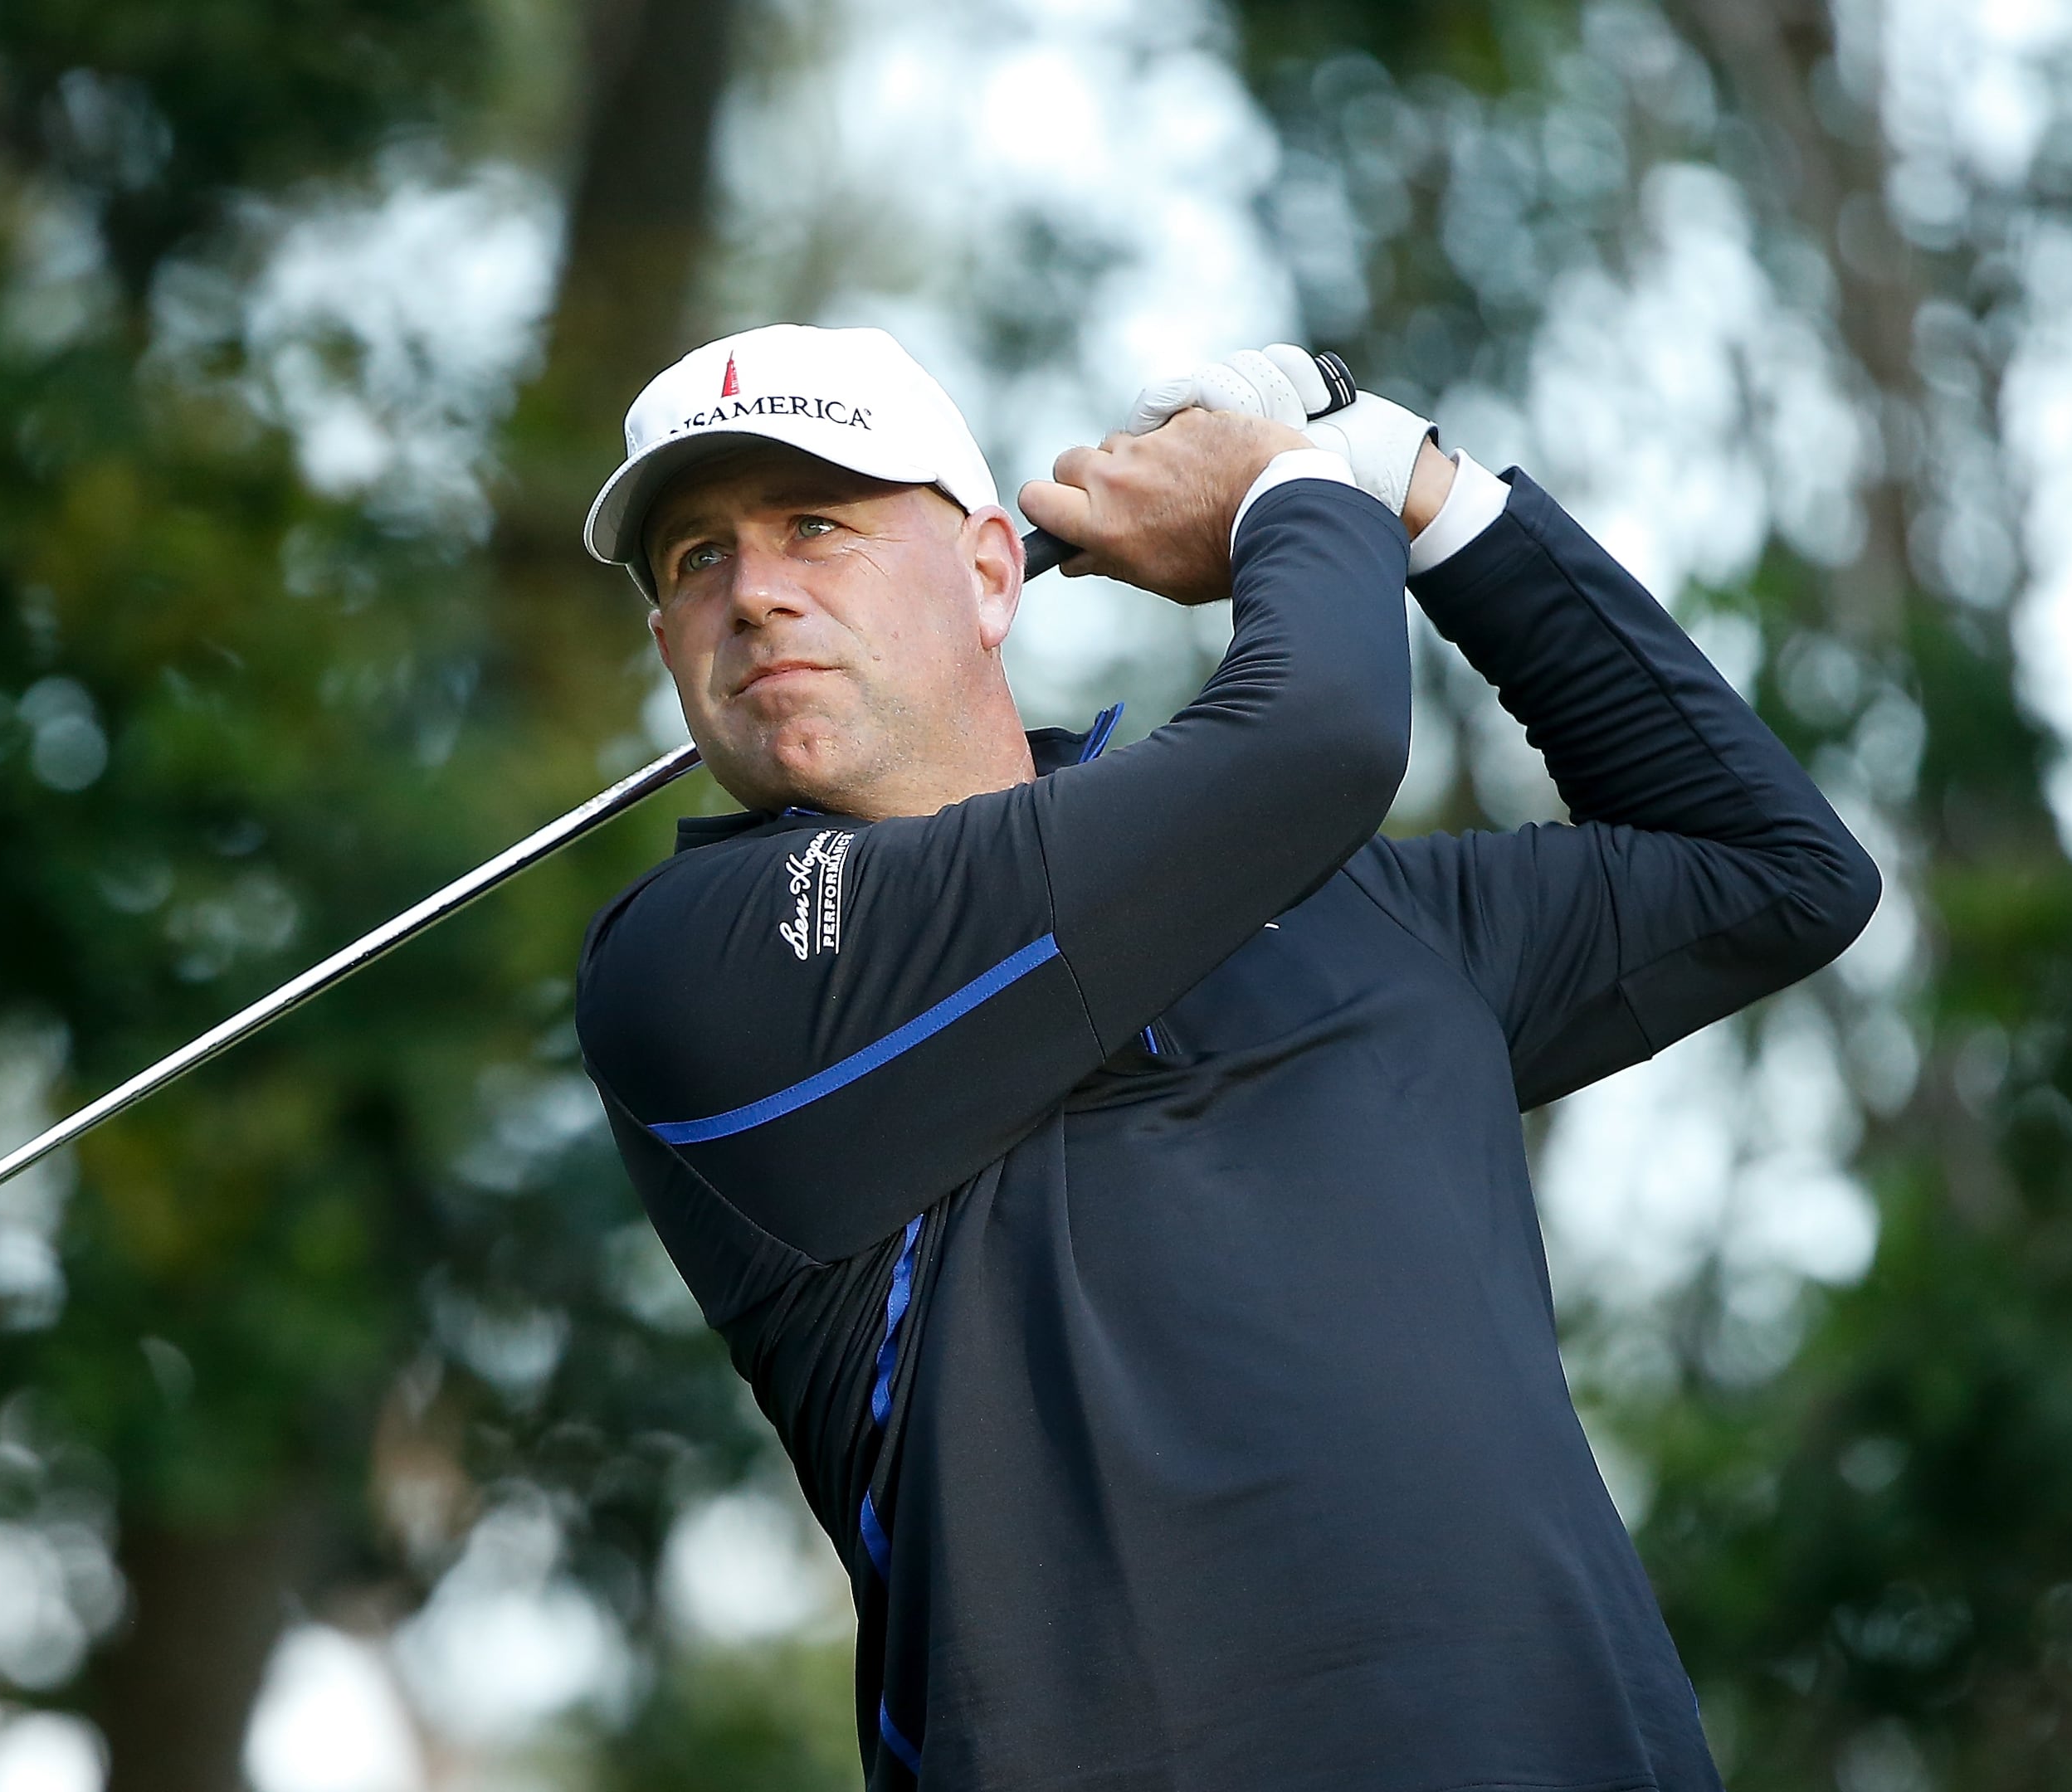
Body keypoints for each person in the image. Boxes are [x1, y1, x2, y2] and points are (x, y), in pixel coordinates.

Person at [568, 322, 1879, 1790]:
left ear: (995, 573)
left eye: (818, 524)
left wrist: (1411, 480)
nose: (754, 592)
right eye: (696, 560)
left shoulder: (1347, 904)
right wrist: (1291, 496)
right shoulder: (700, 970)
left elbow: (1771, 870)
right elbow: (1313, 735)